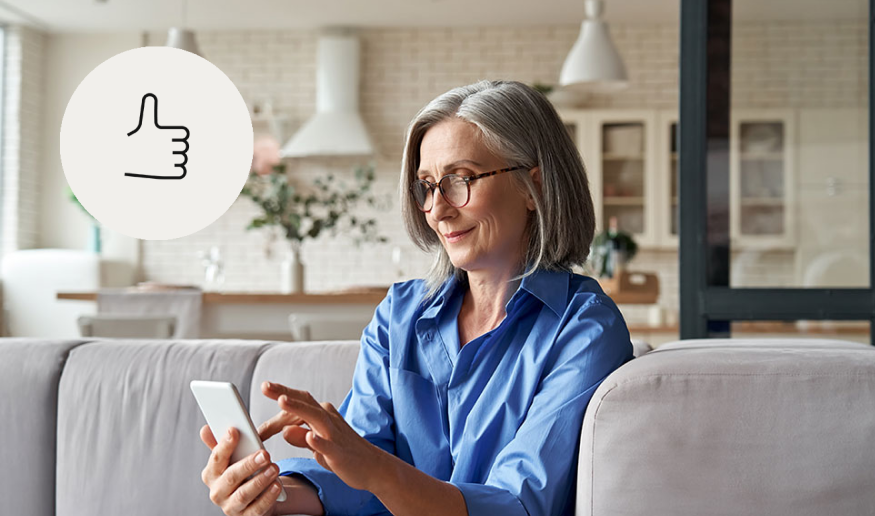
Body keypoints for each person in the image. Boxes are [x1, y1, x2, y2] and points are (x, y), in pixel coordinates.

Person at [199, 80, 633, 516]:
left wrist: (374, 469)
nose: (438, 209)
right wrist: (271, 495)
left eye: (461, 179)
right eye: (427, 185)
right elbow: (358, 476)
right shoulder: (400, 314)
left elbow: (517, 505)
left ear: (531, 186)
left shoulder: (584, 329)